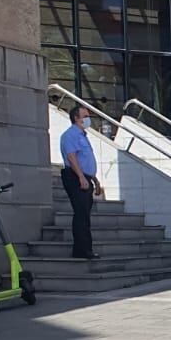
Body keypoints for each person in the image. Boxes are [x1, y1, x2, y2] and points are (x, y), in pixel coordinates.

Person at [59, 103, 103, 260]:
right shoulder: (70, 135)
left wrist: (95, 180)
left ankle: (83, 248)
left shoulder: (82, 136)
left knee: (84, 214)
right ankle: (83, 250)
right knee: (81, 214)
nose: (87, 119)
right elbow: (71, 157)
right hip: (75, 177)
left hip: (85, 177)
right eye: (85, 116)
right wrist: (81, 177)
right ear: (76, 118)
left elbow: (86, 161)